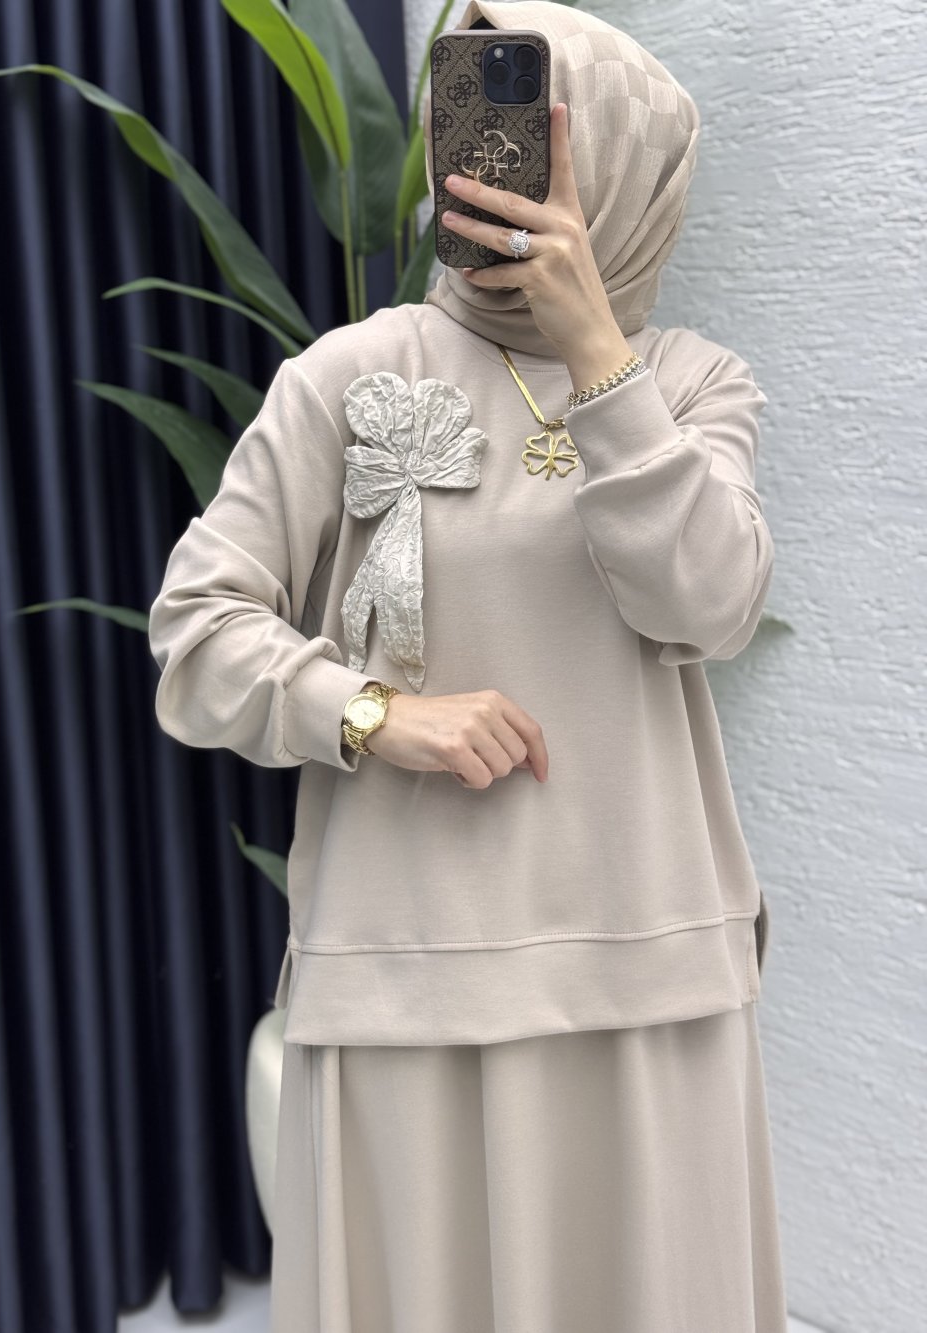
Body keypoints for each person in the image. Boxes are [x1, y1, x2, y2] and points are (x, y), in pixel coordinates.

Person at [147, 2, 789, 1328]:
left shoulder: (690, 384)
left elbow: (711, 602)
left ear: (615, 161)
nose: (484, 166)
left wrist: (599, 356)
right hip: (408, 973)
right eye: (469, 121)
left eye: (537, 132)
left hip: (646, 981)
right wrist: (376, 713)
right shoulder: (346, 375)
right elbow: (197, 631)